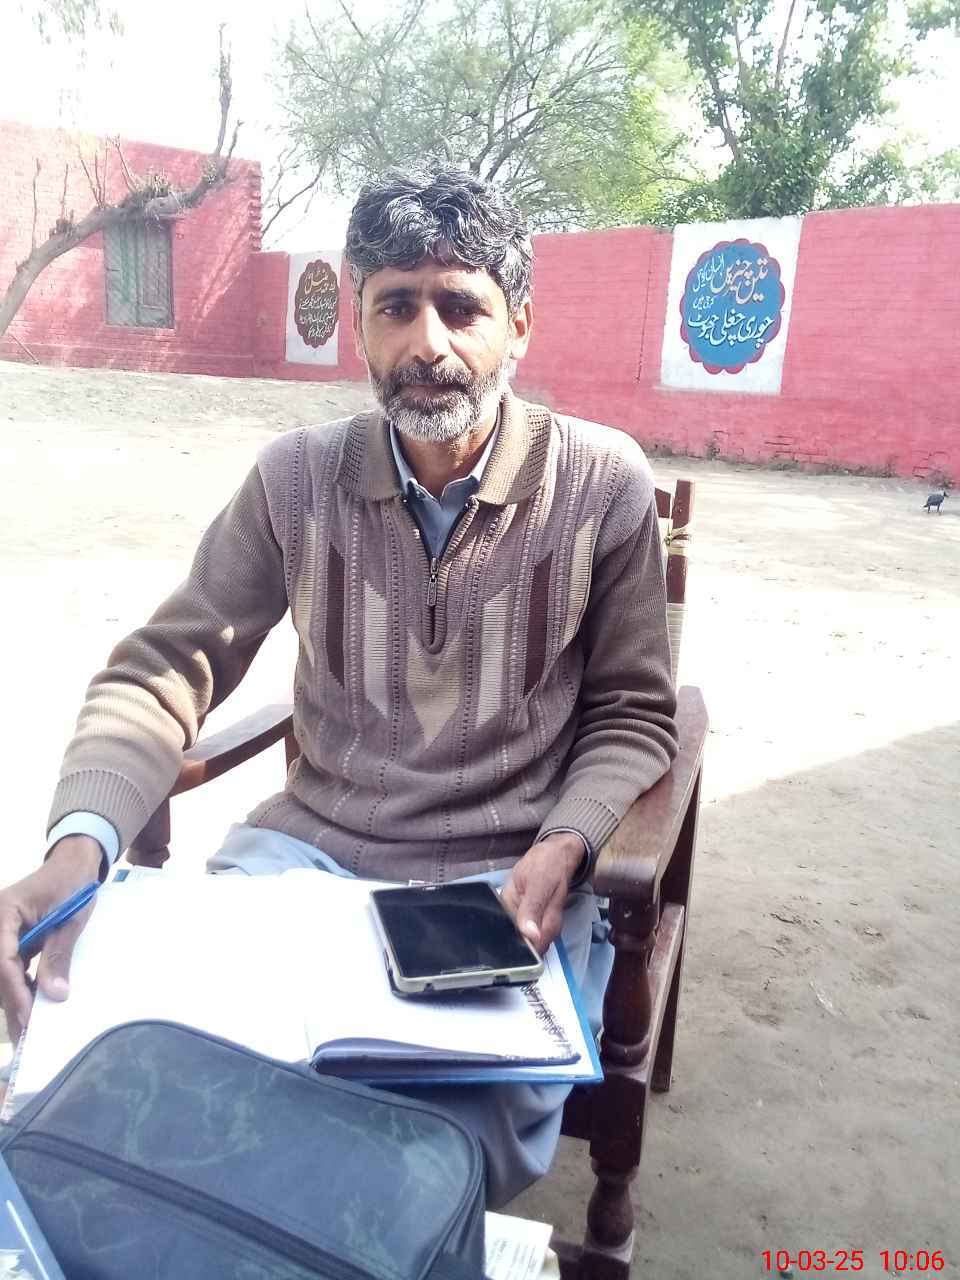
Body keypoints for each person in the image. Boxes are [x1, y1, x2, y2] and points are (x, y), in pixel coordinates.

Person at [0, 164, 678, 1206]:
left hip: (501, 889)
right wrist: (75, 850)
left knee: (434, 1150)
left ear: (519, 326)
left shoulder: (600, 483)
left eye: (461, 307)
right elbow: (164, 666)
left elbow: (633, 712)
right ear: (358, 325)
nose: (427, 343)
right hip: (306, 866)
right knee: (146, 1071)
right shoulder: (295, 478)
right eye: (395, 306)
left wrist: (566, 842)